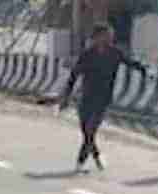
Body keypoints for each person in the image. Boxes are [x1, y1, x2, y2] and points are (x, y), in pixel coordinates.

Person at [59, 23, 146, 173]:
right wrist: (66, 97)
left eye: (110, 35)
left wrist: (144, 70)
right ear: (97, 37)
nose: (109, 38)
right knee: (86, 131)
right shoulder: (87, 54)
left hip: (103, 98)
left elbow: (130, 62)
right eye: (106, 35)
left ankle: (80, 162)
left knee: (91, 131)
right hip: (86, 97)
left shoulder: (115, 53)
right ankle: (97, 155)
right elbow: (74, 76)